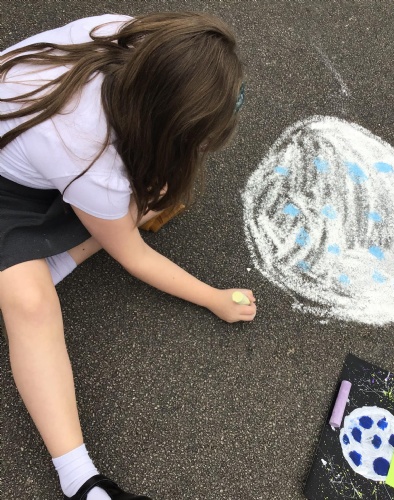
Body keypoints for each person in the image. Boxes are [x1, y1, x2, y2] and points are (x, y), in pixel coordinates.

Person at [0, 12, 256, 500]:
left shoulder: (129, 38)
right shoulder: (89, 159)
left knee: (147, 199)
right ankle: (82, 482)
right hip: (16, 181)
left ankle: (43, 260)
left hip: (37, 162)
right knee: (30, 305)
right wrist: (214, 298)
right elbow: (135, 257)